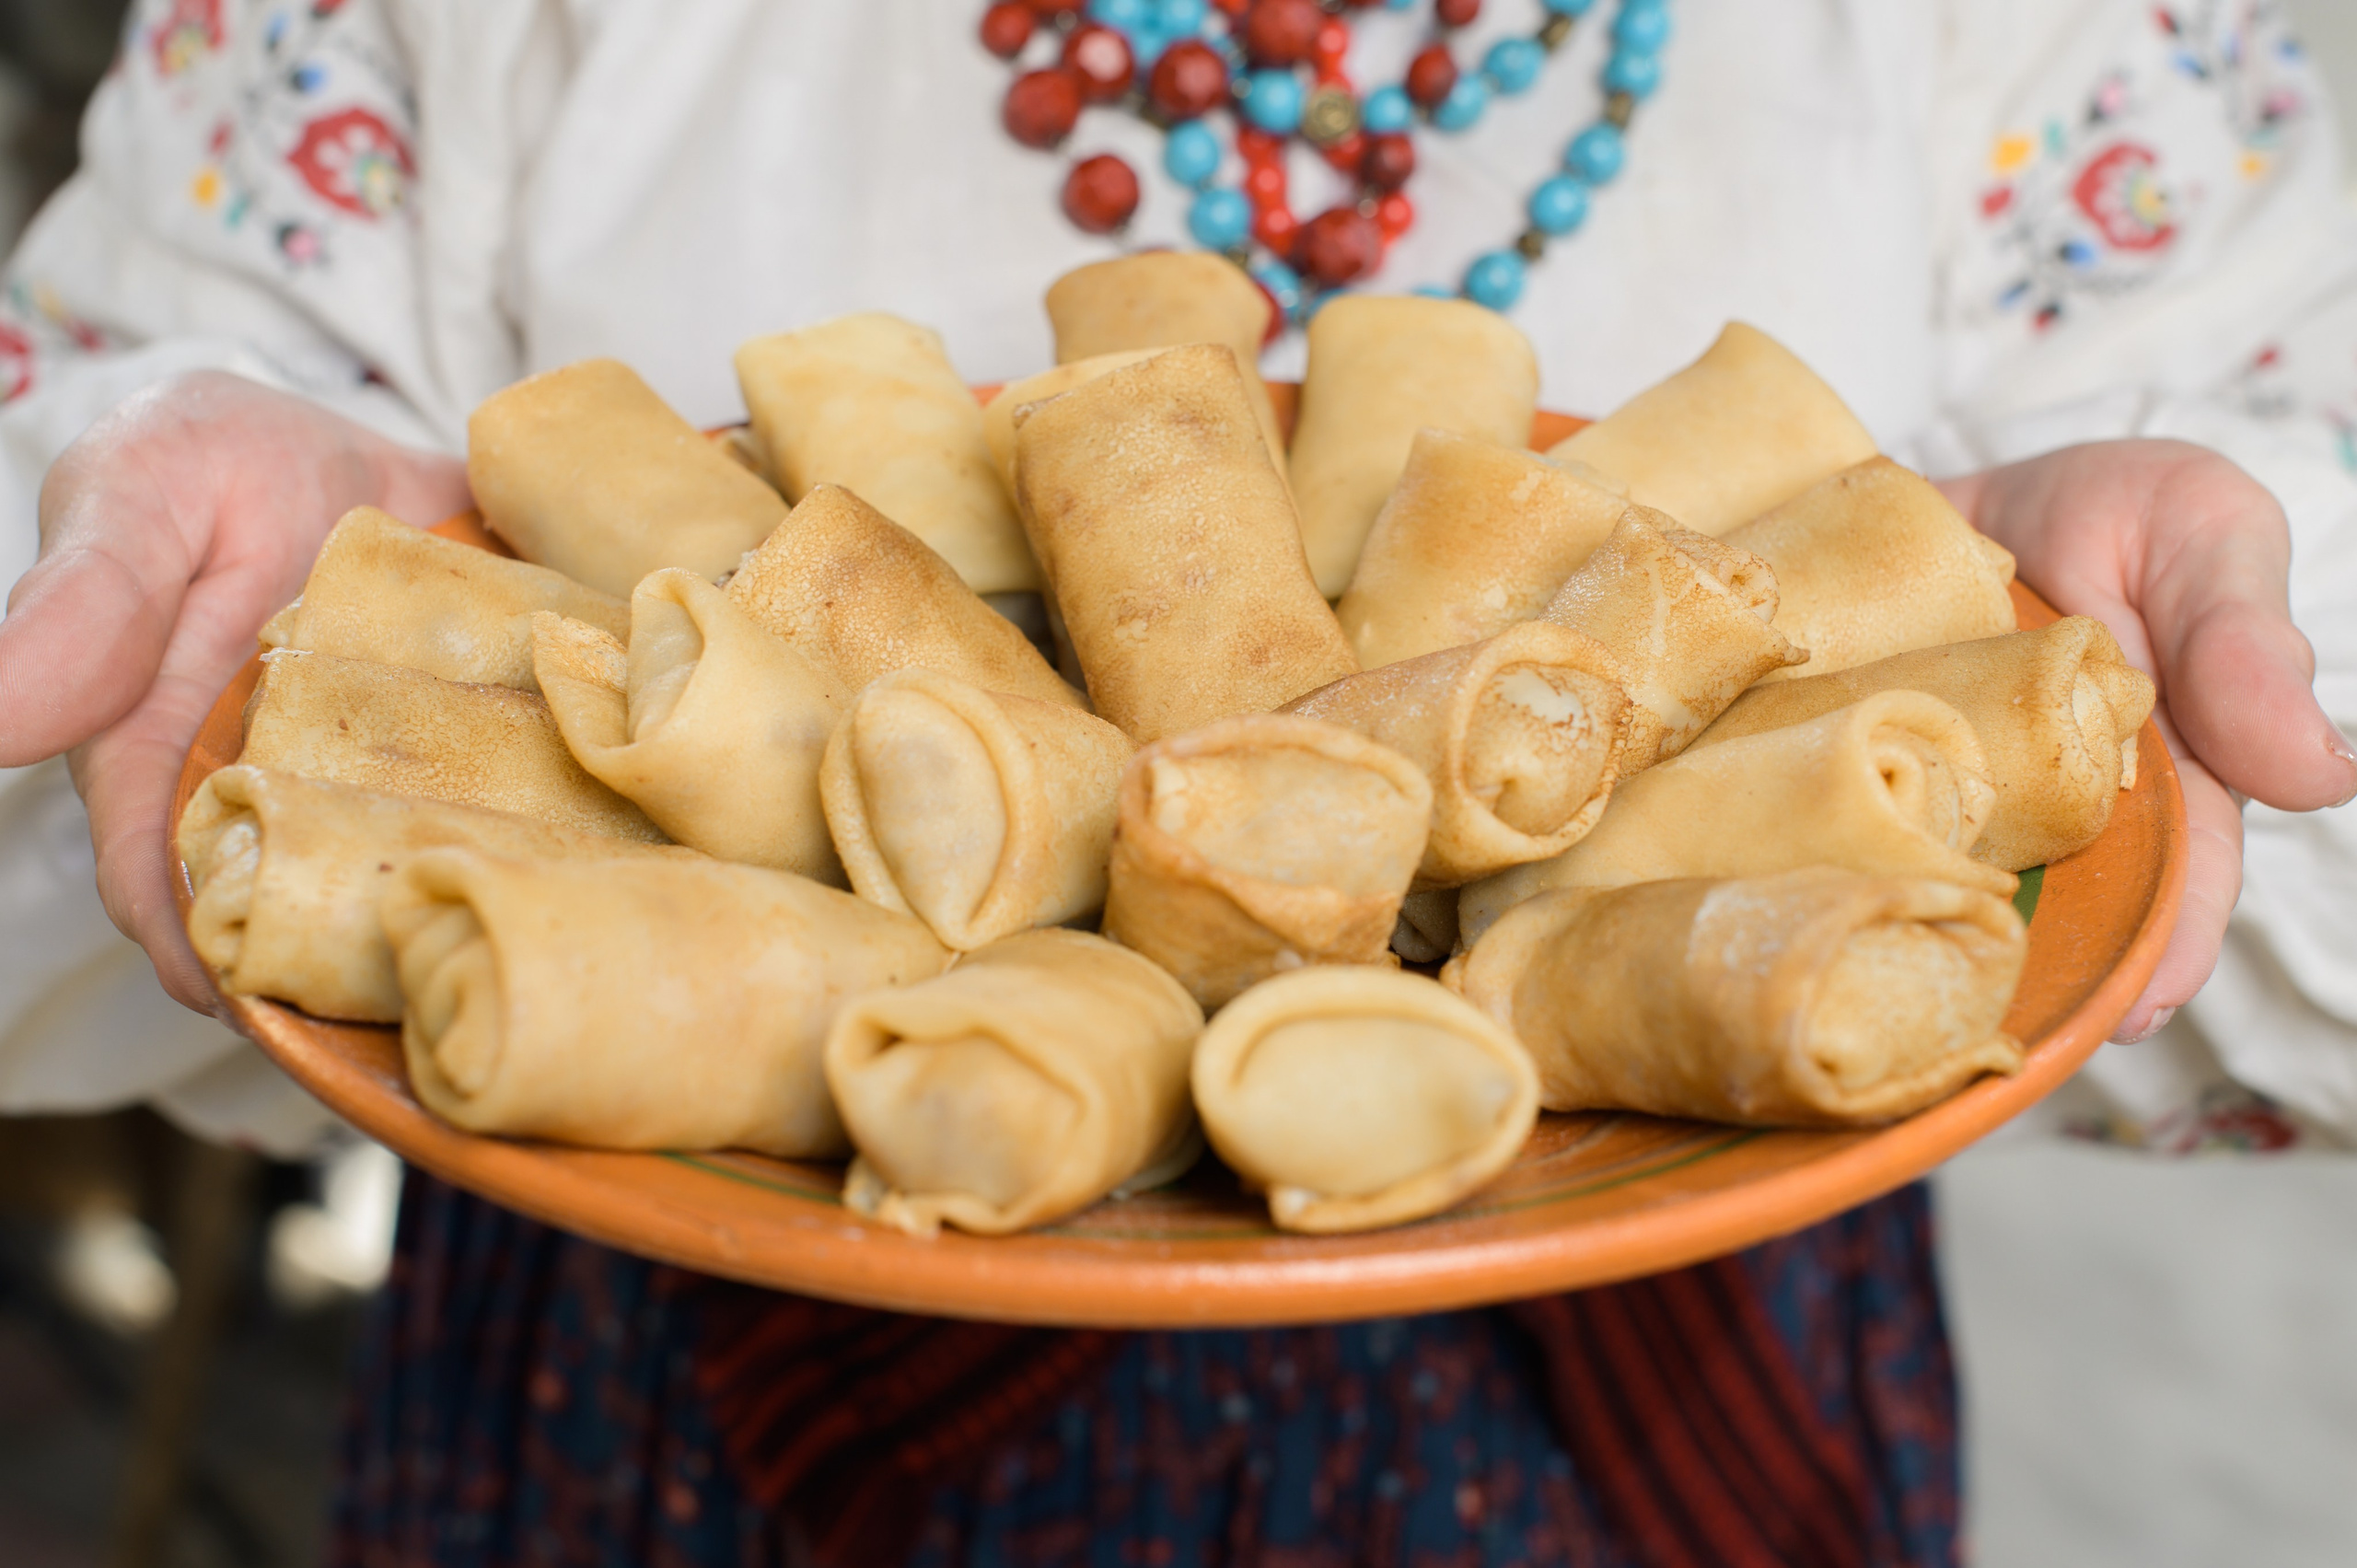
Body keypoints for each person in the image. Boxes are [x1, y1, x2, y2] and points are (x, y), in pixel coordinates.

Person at [0, 0, 2352, 1562]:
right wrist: (149, 491)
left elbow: (2269, 452)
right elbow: (197, 495)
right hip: (660, 1375)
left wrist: (2178, 597)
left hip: (1691, 1392)